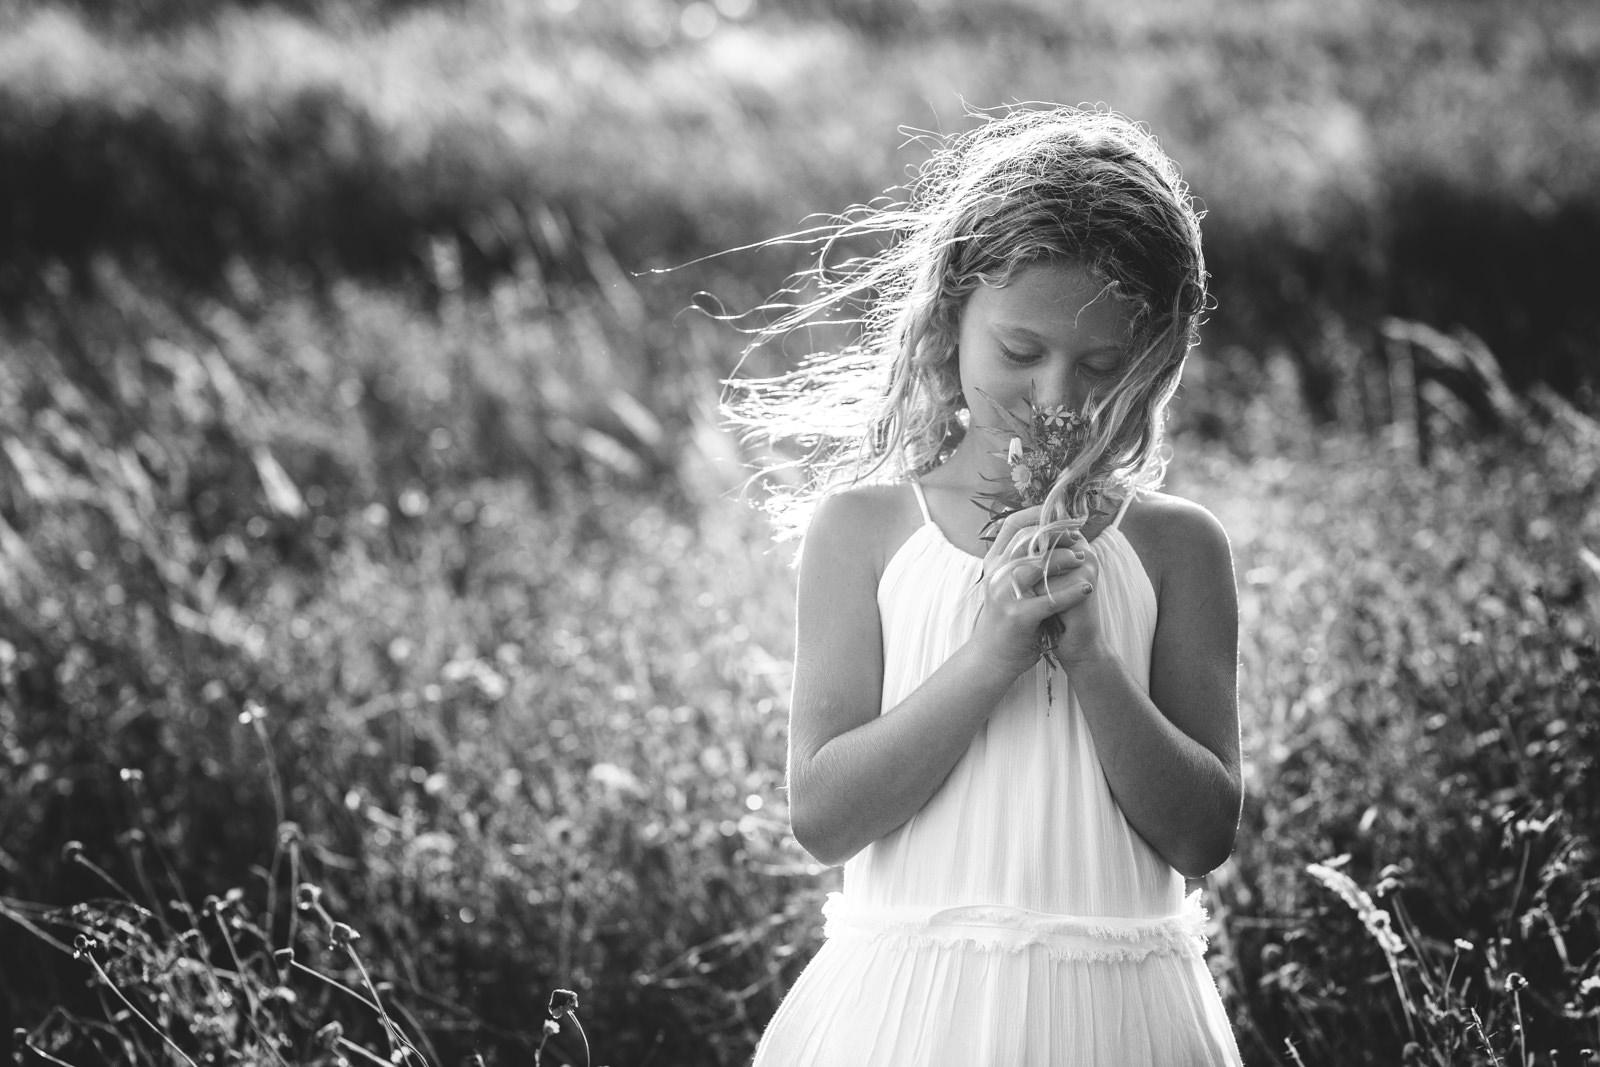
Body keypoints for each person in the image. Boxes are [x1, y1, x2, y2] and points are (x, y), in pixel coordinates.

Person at [727, 105, 1244, 1066]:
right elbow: (823, 816)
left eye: (1102, 365)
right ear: (948, 319)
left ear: (1160, 358)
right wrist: (991, 654)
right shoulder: (865, 532)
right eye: (1019, 352)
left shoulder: (1177, 548)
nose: (1057, 397)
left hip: (1120, 1019)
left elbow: (1203, 831)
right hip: (908, 1016)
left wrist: (1091, 656)